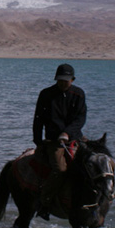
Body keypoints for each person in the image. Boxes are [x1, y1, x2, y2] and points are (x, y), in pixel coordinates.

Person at [32, 63, 87, 219]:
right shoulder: (46, 94)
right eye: (60, 80)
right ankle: (44, 202)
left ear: (73, 79)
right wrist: (38, 141)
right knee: (60, 170)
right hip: (53, 141)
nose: (63, 83)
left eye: (66, 80)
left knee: (96, 163)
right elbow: (38, 119)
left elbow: (80, 118)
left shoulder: (79, 94)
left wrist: (67, 133)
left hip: (75, 137)